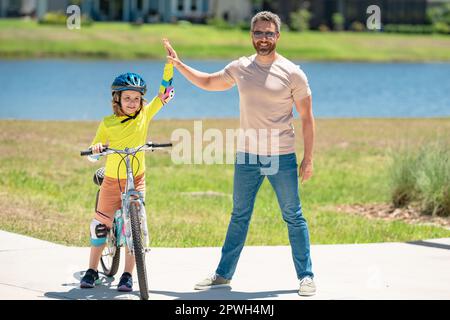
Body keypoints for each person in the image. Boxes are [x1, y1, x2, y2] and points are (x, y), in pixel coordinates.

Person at [163, 10, 316, 296]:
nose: (263, 38)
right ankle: (223, 275)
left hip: (281, 156)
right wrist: (180, 65)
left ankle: (306, 277)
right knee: (239, 215)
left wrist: (308, 158)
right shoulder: (241, 67)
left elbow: (307, 117)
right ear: (251, 35)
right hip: (247, 156)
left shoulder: (293, 72)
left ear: (278, 36)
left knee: (293, 216)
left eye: (269, 33)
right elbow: (209, 82)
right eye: (258, 33)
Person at [80, 46, 174, 292]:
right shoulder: (108, 123)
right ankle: (91, 269)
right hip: (112, 180)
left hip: (137, 178)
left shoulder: (145, 114)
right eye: (127, 98)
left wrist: (170, 65)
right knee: (100, 225)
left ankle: (128, 275)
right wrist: (97, 149)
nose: (133, 103)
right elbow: (92, 152)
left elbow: (165, 93)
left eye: (136, 98)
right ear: (117, 99)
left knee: (137, 227)